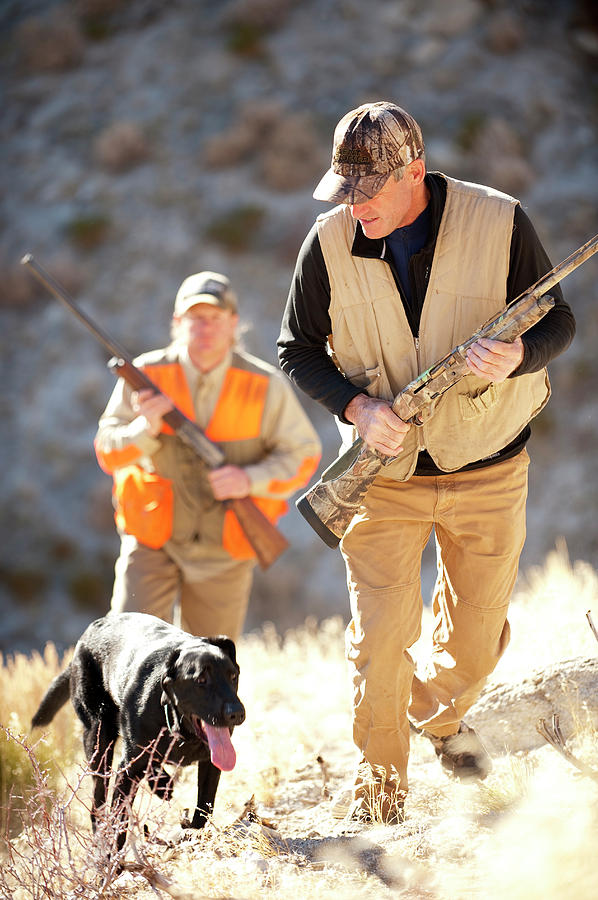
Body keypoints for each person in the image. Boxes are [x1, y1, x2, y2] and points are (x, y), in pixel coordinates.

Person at [277, 101, 575, 823]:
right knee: (380, 641)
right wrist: (361, 410)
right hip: (384, 480)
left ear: (415, 170)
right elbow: (296, 349)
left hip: (490, 468)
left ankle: (436, 718)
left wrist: (518, 356)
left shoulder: (502, 221)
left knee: (475, 646)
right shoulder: (327, 242)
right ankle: (379, 796)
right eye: (343, 189)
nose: (355, 207)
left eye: (368, 191)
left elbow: (558, 319)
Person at [95, 270, 321, 641]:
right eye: (196, 317)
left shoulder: (264, 386)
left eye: (215, 317)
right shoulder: (146, 375)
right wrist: (145, 430)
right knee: (126, 649)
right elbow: (108, 450)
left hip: (225, 551)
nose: (206, 327)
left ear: (233, 323)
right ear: (177, 322)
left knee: (211, 668)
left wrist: (247, 479)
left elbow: (303, 456)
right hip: (153, 541)